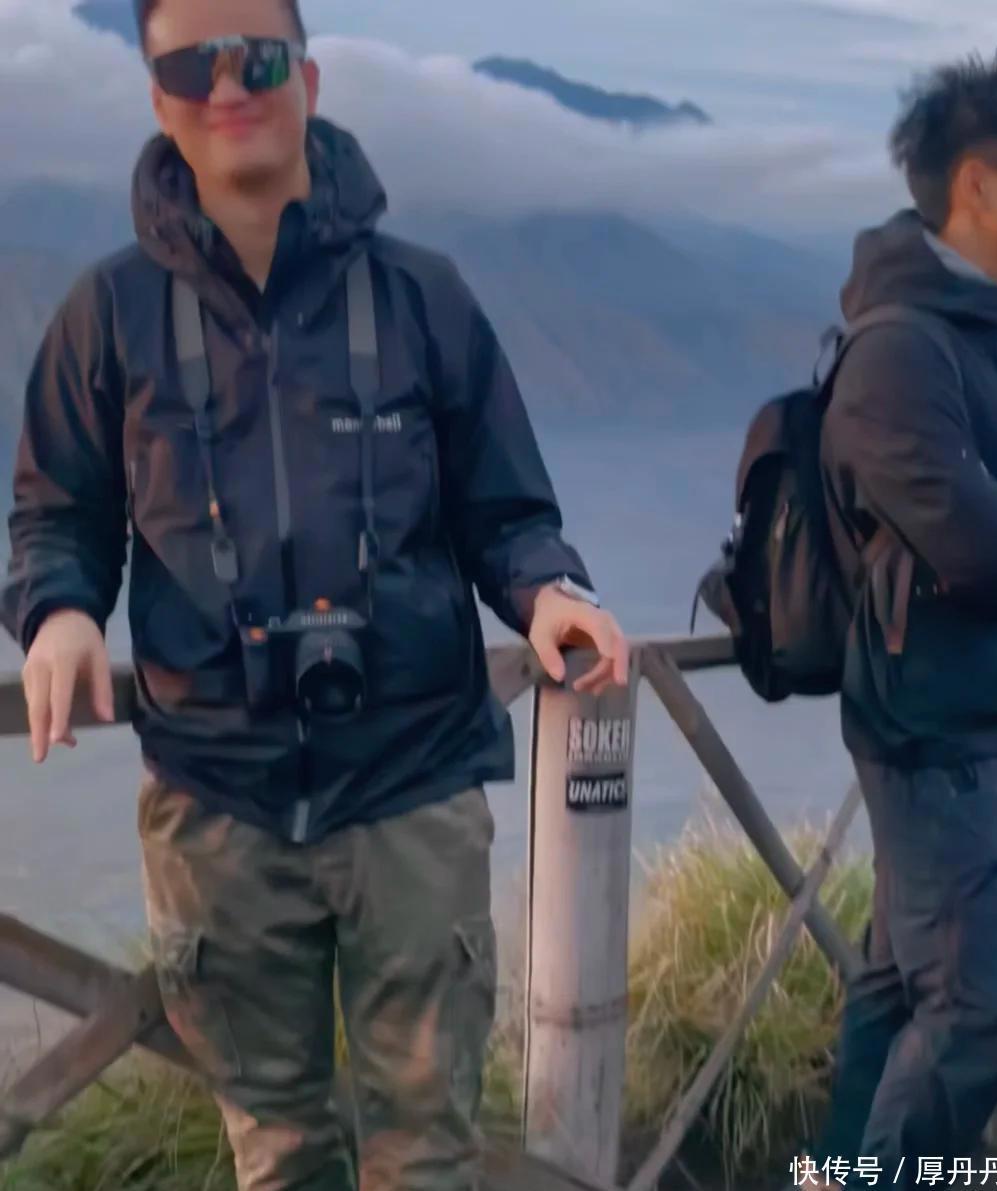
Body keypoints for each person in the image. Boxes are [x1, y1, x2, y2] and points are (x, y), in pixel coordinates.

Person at [1, 0, 629, 1187]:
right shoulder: (108, 315)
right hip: (215, 798)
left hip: (412, 786)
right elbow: (57, 515)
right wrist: (60, 611)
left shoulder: (424, 296)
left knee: (427, 1153)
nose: (230, 85)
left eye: (259, 56)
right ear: (158, 100)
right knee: (280, 1153)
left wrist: (551, 593)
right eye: (195, 64)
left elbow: (507, 511)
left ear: (311, 79)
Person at [813, 56, 997, 1188]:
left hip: (976, 718)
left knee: (896, 997)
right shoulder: (899, 354)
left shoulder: (982, 339)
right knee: (974, 1012)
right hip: (930, 733)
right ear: (976, 184)